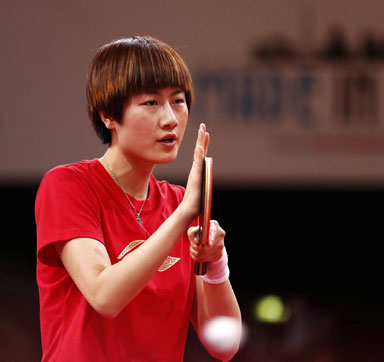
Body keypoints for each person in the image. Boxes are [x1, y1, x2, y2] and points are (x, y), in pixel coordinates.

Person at [35, 36, 241, 362]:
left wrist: (215, 263)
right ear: (108, 116)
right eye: (151, 103)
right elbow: (104, 295)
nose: (171, 118)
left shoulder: (179, 205)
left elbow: (225, 344)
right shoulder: (68, 185)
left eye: (178, 101)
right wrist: (185, 213)